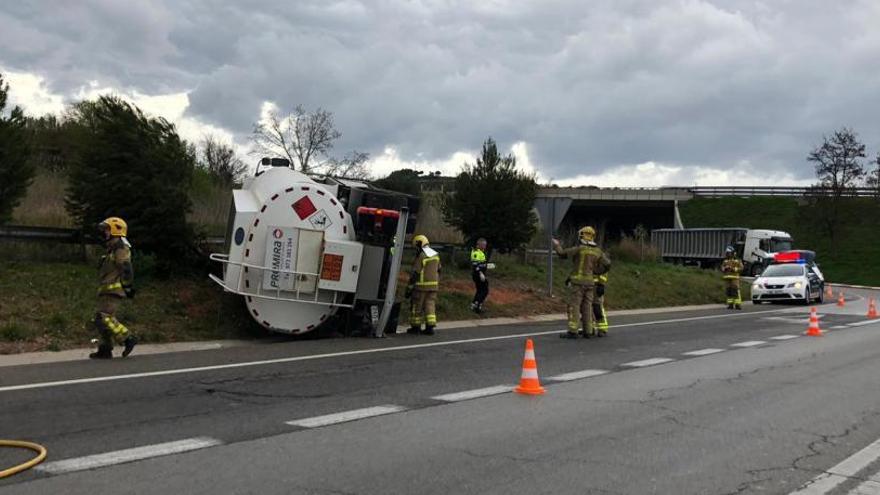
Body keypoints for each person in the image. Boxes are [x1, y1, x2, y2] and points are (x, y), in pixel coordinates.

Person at [90, 217, 137, 359]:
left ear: (115, 230)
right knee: (100, 320)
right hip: (106, 289)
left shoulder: (120, 247)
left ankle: (128, 338)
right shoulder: (112, 247)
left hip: (114, 289)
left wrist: (128, 286)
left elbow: (125, 267)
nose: (104, 233)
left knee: (104, 317)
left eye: (107, 230)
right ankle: (105, 349)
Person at [553, 226, 611, 339]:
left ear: (581, 236)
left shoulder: (579, 249)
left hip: (578, 284)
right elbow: (607, 264)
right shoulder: (597, 251)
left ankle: (573, 331)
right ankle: (588, 331)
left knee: (575, 306)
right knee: (587, 307)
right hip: (590, 284)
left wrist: (556, 245)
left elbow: (562, 254)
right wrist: (597, 272)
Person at [405, 234, 441, 335]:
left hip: (421, 286)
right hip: (434, 286)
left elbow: (416, 272)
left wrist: (409, 287)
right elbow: (439, 269)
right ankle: (430, 327)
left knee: (417, 306)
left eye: (416, 246)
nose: (416, 249)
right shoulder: (435, 254)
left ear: (420, 244)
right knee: (430, 305)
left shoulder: (422, 255)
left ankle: (415, 328)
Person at [470, 238, 493, 313]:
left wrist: (487, 266)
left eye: (485, 245)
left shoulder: (481, 253)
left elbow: (481, 264)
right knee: (485, 290)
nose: (484, 246)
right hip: (478, 274)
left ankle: (474, 304)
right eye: (483, 245)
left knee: (480, 290)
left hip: (480, 274)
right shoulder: (476, 253)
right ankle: (478, 305)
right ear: (478, 245)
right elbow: (475, 265)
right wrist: (480, 273)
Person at [721, 246, 744, 310]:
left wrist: (734, 269)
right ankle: (730, 304)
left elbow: (741, 268)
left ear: (733, 253)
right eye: (727, 253)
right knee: (728, 291)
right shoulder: (725, 261)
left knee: (735, 291)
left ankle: (738, 305)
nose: (728, 254)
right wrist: (725, 268)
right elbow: (722, 267)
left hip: (735, 278)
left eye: (729, 253)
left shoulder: (737, 260)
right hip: (727, 279)